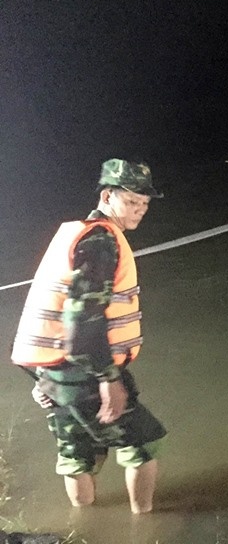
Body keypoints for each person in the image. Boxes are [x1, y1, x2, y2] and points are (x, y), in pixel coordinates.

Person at [10, 159, 167, 513]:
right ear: (107, 196)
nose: (141, 210)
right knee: (143, 445)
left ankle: (83, 524)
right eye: (132, 201)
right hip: (82, 369)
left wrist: (41, 379)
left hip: (52, 367)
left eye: (145, 203)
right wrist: (108, 379)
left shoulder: (73, 233)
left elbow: (47, 311)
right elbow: (84, 319)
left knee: (77, 453)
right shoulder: (101, 241)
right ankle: (144, 524)